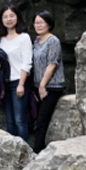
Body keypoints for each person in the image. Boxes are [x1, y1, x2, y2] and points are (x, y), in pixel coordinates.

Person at [32, 10, 65, 153]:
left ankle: (37, 152)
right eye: (36, 23)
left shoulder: (53, 41)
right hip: (38, 86)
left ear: (49, 24)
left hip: (51, 87)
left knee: (42, 121)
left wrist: (42, 86)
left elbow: (52, 64)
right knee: (38, 121)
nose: (38, 25)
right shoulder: (36, 41)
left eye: (42, 22)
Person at [0, 5, 32, 140]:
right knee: (9, 119)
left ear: (17, 17)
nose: (9, 19)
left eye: (11, 16)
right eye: (5, 17)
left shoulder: (24, 37)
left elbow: (27, 62)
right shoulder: (1, 39)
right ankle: (12, 149)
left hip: (18, 81)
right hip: (4, 83)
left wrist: (21, 84)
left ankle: (24, 149)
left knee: (20, 119)